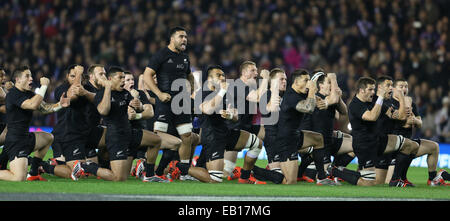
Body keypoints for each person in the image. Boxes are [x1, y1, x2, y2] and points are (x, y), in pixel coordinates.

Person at [328, 76, 420, 187]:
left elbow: (399, 117)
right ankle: (335, 171)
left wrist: (401, 99)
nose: (373, 92)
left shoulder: (375, 99)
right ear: (361, 91)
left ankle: (396, 180)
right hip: (365, 146)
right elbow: (372, 117)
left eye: (373, 89)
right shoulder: (355, 105)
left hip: (380, 140)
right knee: (368, 183)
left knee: (412, 145)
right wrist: (380, 98)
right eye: (370, 89)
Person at [86, 66, 162, 182]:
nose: (123, 80)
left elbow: (138, 107)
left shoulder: (125, 93)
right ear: (110, 79)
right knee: (119, 178)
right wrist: (107, 88)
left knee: (156, 140)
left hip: (129, 132)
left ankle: (149, 175)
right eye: (120, 77)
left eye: (123, 77)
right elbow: (103, 111)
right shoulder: (101, 94)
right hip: (116, 136)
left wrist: (138, 105)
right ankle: (87, 166)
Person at [195, 65, 267, 184]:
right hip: (213, 137)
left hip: (226, 133)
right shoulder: (202, 93)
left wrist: (230, 116)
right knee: (215, 179)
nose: (223, 77)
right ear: (209, 79)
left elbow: (235, 117)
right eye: (219, 75)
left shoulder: (225, 94)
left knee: (256, 143)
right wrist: (222, 91)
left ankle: (244, 177)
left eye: (223, 75)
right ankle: (182, 167)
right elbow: (207, 110)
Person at [143, 26, 196, 180]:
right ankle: (150, 171)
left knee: (187, 136)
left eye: (186, 36)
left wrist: (190, 89)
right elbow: (147, 75)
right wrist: (159, 94)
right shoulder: (161, 54)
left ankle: (183, 173)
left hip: (182, 103)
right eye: (181, 36)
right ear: (172, 39)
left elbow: (190, 75)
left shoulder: (185, 57)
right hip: (165, 103)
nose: (184, 39)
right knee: (159, 138)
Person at [0, 66, 70, 181]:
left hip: (26, 137)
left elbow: (45, 108)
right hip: (15, 141)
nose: (31, 79)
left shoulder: (29, 94)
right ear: (18, 80)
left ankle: (33, 172)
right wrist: (44, 86)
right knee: (18, 178)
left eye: (31, 76)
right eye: (27, 76)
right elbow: (32, 105)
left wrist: (60, 105)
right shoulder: (13, 94)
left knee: (48, 137)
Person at [274, 69, 335, 185]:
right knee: (290, 181)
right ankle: (258, 172)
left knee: (318, 138)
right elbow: (308, 108)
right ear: (296, 82)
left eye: (309, 80)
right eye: (306, 80)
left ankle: (321, 177)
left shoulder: (301, 93)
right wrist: (312, 91)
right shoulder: (291, 96)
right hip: (285, 141)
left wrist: (322, 102)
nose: (309, 83)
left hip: (295, 135)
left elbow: (315, 101)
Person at [385, 79, 449, 186]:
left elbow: (419, 123)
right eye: (401, 87)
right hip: (393, 147)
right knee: (387, 182)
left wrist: (415, 120)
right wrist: (410, 120)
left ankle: (433, 178)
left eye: (406, 86)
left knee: (434, 147)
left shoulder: (411, 104)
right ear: (394, 89)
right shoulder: (390, 104)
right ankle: (400, 178)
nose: (404, 89)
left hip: (409, 144)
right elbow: (405, 123)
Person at [297, 71, 353, 184]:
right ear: (320, 85)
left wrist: (339, 96)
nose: (332, 85)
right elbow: (332, 100)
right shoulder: (316, 98)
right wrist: (333, 79)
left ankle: (336, 168)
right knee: (321, 173)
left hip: (329, 141)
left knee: (356, 145)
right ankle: (326, 172)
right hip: (318, 145)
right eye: (329, 83)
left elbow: (344, 111)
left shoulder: (332, 98)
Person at [223, 61, 269, 179]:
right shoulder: (238, 85)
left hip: (245, 125)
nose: (256, 73)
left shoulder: (248, 87)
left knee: (270, 133)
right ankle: (244, 173)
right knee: (226, 173)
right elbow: (258, 97)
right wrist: (265, 79)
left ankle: (274, 163)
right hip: (233, 127)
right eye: (252, 70)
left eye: (256, 70)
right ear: (243, 73)